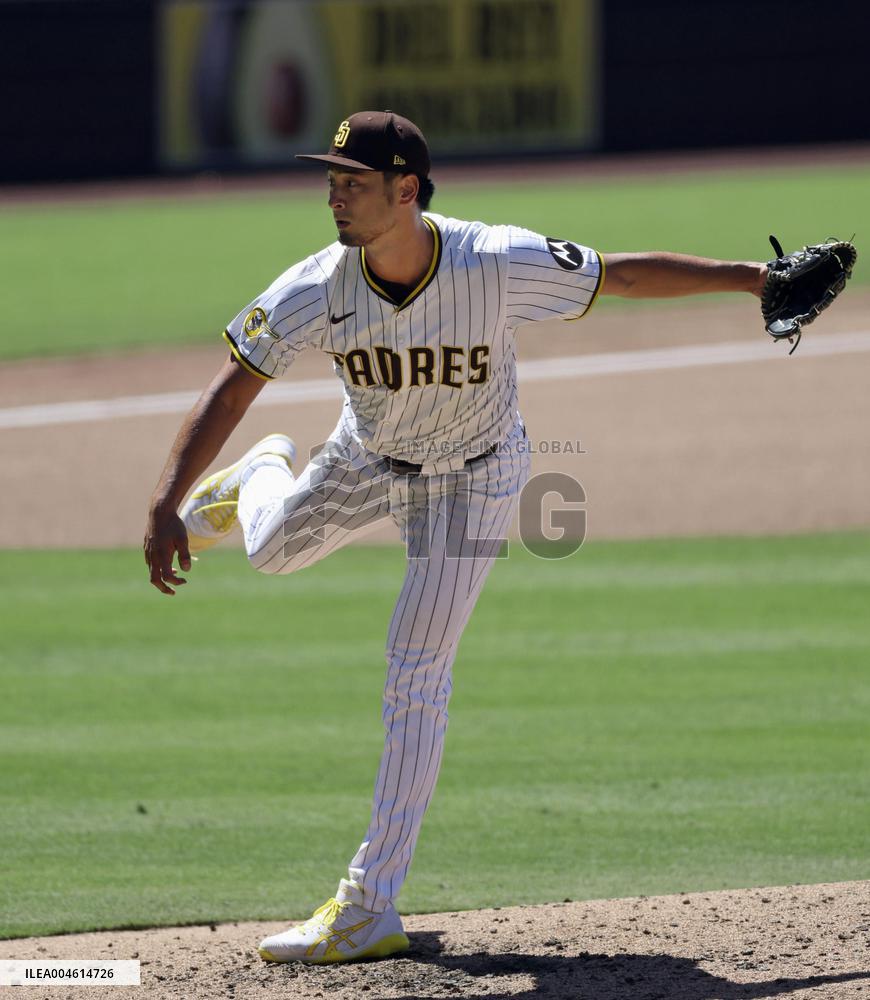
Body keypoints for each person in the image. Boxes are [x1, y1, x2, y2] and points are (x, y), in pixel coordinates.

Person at [143, 110, 767, 965]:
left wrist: (752, 279)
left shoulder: (494, 260)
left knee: (416, 669)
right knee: (270, 551)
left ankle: (368, 906)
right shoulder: (314, 286)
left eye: (353, 181)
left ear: (406, 190)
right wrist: (166, 498)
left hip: (474, 480)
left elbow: (618, 275)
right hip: (366, 457)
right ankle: (261, 473)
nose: (334, 194)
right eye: (331, 178)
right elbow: (233, 384)